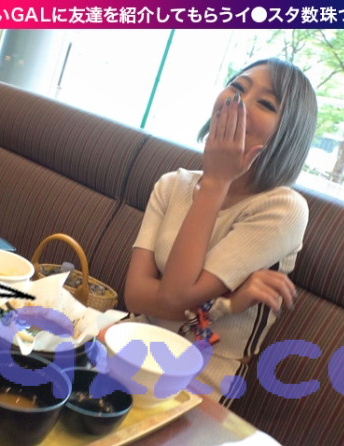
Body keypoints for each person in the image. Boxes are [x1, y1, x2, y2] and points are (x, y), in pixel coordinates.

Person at [124, 58, 318, 408]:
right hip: (132, 345)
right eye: (238, 87)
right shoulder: (172, 185)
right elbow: (136, 295)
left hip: (200, 381)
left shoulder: (282, 209)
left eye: (266, 103)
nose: (240, 101)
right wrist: (227, 303)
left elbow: (173, 295)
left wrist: (215, 181)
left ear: (288, 133)